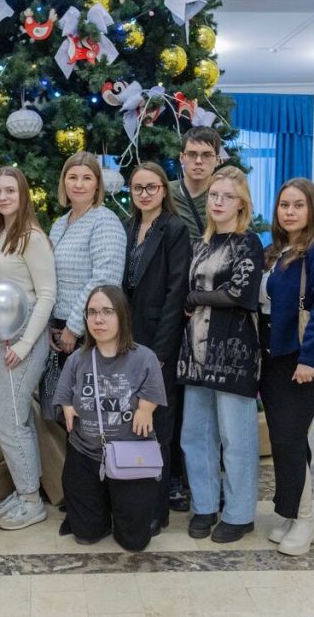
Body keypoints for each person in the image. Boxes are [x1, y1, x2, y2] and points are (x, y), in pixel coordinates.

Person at [258, 178, 314, 556]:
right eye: (284, 205)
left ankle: (307, 520)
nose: (290, 212)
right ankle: (292, 514)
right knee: (285, 440)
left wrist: (309, 358)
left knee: (290, 439)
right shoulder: (275, 252)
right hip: (273, 361)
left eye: (298, 205)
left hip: (303, 362)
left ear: (312, 210)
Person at [178, 166, 263, 544]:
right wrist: (194, 300)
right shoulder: (202, 244)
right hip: (195, 352)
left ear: (241, 204)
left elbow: (238, 294)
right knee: (195, 434)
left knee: (236, 438)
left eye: (227, 197)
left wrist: (194, 298)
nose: (218, 202)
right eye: (214, 195)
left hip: (233, 352)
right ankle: (204, 506)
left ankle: (240, 514)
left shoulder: (248, 243)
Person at [54, 285, 166, 552]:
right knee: (85, 535)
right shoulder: (78, 359)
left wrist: (145, 408)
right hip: (86, 453)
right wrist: (68, 407)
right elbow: (64, 393)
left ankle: (123, 510)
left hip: (130, 456)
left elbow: (153, 392)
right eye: (92, 312)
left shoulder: (144, 357)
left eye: (107, 312)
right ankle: (99, 514)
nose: (98, 320)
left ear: (122, 316)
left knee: (134, 542)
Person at [0, 167, 56, 530]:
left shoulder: (31, 237)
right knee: (8, 419)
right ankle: (25, 490)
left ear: (23, 194)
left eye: (10, 190)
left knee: (10, 421)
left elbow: (47, 295)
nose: (3, 197)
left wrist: (25, 345)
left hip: (22, 337)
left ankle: (31, 500)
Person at [122, 162, 191, 536]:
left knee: (158, 428)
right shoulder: (128, 227)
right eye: (138, 188)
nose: (145, 194)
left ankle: (156, 509)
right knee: (131, 423)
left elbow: (175, 293)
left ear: (164, 190)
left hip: (159, 344)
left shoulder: (174, 230)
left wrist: (160, 353)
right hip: (126, 342)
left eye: (151, 187)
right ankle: (131, 499)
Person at [48, 152, 125, 362]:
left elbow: (105, 280)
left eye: (87, 178)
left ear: (97, 185)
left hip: (90, 330)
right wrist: (50, 323)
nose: (79, 184)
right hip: (59, 327)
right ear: (64, 182)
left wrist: (74, 327)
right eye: (72, 177)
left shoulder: (105, 221)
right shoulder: (59, 224)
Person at [171, 126, 222, 241]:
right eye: (191, 154)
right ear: (181, 158)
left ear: (217, 160)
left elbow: (241, 240)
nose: (198, 161)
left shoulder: (228, 196)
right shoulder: (164, 193)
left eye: (207, 155)